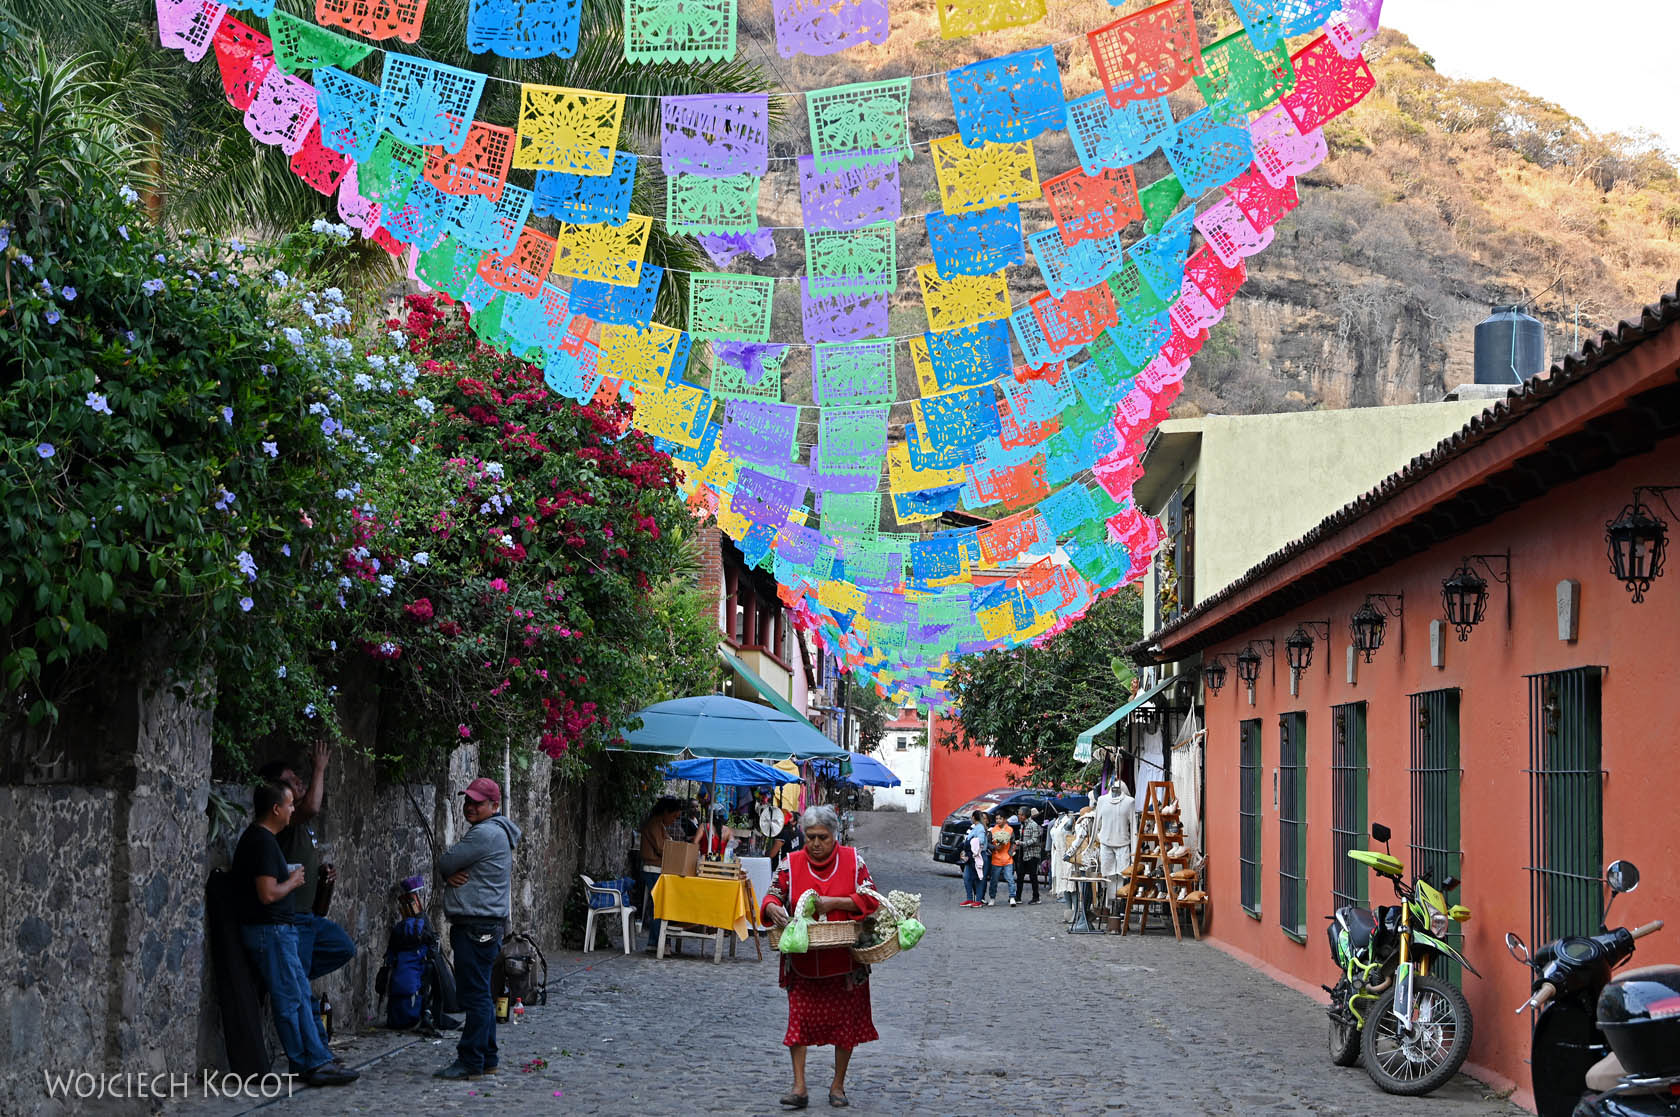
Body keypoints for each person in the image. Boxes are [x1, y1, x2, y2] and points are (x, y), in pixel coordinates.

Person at [232, 781, 358, 1087]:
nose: (293, 810)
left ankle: (315, 1059)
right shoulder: (262, 842)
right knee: (291, 999)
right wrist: (292, 881)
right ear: (276, 809)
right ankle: (309, 1063)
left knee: (299, 995)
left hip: (278, 930)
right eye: (289, 805)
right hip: (272, 930)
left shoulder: (264, 840)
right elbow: (267, 893)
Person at [762, 805, 879, 1110]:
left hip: (845, 962)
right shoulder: (790, 864)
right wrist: (772, 906)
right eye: (810, 836)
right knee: (798, 1023)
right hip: (803, 963)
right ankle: (799, 1086)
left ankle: (838, 1085)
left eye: (822, 837)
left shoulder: (853, 861)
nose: (815, 843)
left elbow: (871, 899)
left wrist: (835, 902)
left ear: (834, 835)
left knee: (845, 1026)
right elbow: (773, 893)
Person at [433, 777, 522, 1081]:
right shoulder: (495, 831)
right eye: (467, 801)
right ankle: (488, 1058)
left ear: (494, 806)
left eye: (477, 803)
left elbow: (446, 861)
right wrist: (451, 875)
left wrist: (449, 872)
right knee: (481, 992)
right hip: (484, 924)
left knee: (475, 997)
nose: (470, 807)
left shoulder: (485, 833)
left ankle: (470, 1060)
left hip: (475, 926)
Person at [258, 743, 356, 983]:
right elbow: (312, 807)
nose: (299, 781)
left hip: (309, 916)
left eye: (296, 777)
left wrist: (321, 871)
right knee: (297, 986)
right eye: (290, 781)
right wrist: (319, 768)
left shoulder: (300, 823)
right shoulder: (285, 819)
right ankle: (289, 980)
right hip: (293, 917)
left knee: (343, 947)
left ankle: (289, 978)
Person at [638, 797, 682, 954]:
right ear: (666, 812)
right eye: (674, 816)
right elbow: (661, 848)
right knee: (660, 905)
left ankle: (654, 942)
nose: (674, 820)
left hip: (656, 869)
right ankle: (659, 942)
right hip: (653, 870)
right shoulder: (654, 825)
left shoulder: (659, 825)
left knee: (657, 905)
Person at [959, 810, 988, 908]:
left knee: (978, 878)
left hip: (978, 855)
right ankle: (969, 898)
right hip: (970, 856)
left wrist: (973, 848)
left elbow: (981, 841)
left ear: (974, 817)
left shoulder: (980, 828)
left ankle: (978, 900)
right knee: (967, 877)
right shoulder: (975, 827)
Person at [1014, 809, 1044, 905]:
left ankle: (1036, 897)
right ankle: (1018, 897)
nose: (1018, 816)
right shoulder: (1022, 824)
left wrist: (1022, 843)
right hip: (1023, 853)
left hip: (1032, 854)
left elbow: (1035, 840)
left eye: (1020, 815)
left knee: (1033, 876)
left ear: (1024, 815)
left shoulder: (1033, 825)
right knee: (1020, 875)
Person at [987, 813, 1016, 906]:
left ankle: (1012, 897)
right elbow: (988, 843)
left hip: (1008, 859)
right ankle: (992, 898)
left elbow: (1013, 842)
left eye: (1000, 818)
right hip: (996, 859)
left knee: (1010, 879)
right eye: (996, 819)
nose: (998, 820)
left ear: (1004, 819)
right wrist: (994, 847)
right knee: (994, 880)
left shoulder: (1010, 829)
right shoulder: (993, 830)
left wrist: (1010, 853)